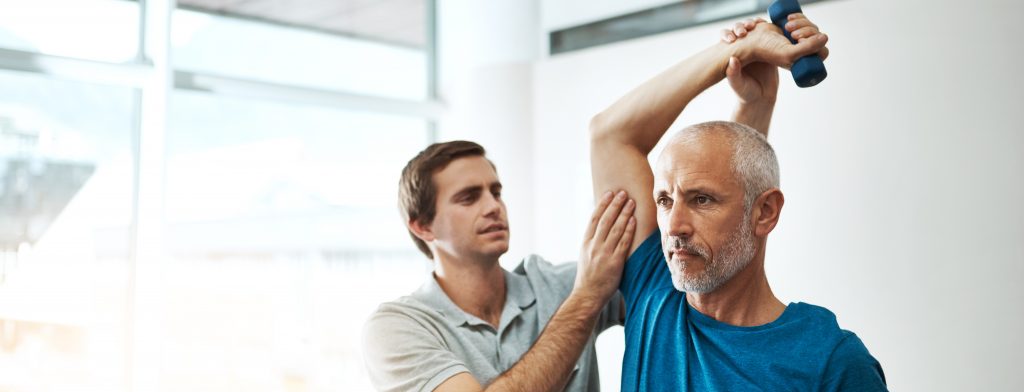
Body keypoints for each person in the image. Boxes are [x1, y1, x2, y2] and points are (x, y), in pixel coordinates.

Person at [588, 14, 888, 391]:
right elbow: (609, 135)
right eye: (664, 200)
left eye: (701, 200)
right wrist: (732, 52)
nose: (674, 226)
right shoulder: (654, 292)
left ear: (765, 212)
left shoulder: (828, 360)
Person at [361, 140, 636, 391]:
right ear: (423, 226)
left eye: (496, 192)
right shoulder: (397, 327)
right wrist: (586, 299)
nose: (494, 207)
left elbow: (661, 289)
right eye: (469, 198)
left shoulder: (566, 284)